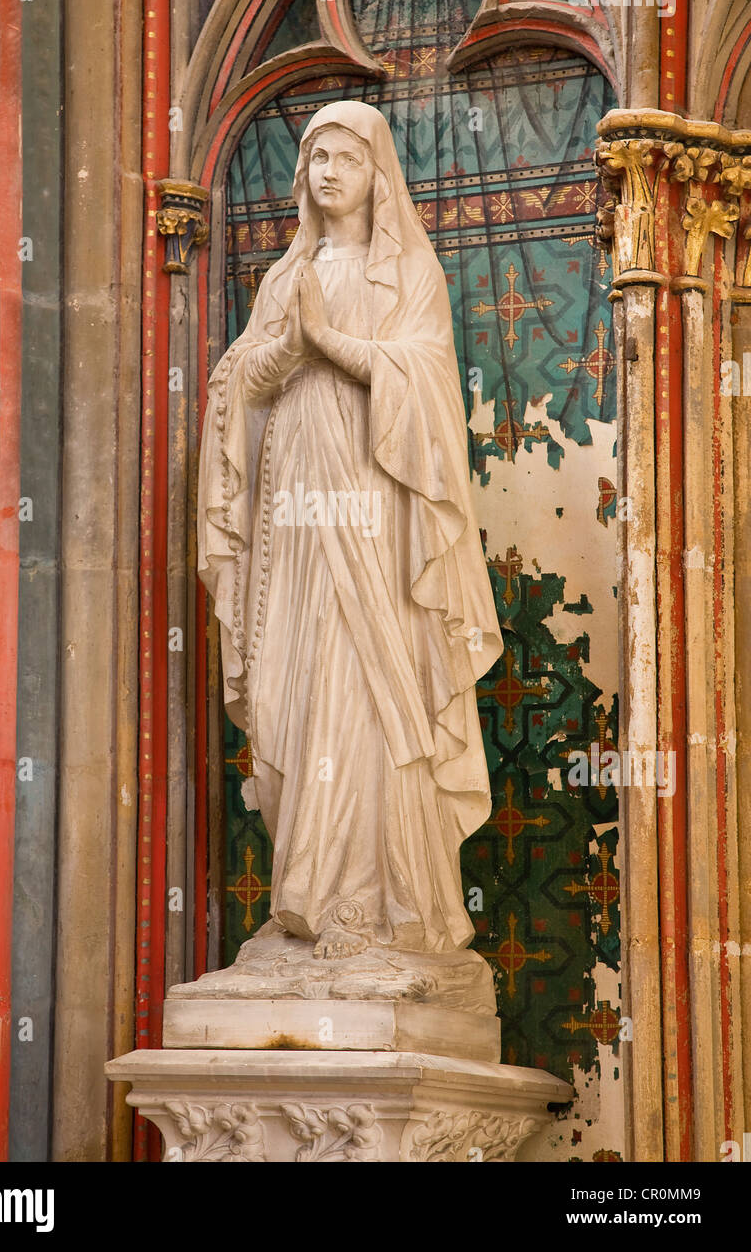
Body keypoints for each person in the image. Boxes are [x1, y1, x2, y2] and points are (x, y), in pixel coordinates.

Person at [198, 100, 502, 961]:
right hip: (293, 502)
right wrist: (287, 352)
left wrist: (332, 343)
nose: (327, 173)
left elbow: (430, 386)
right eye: (315, 158)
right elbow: (239, 389)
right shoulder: (281, 278)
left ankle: (377, 900)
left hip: (374, 506)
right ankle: (303, 889)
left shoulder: (408, 274)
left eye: (345, 158)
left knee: (368, 676)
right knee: (293, 679)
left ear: (378, 174)